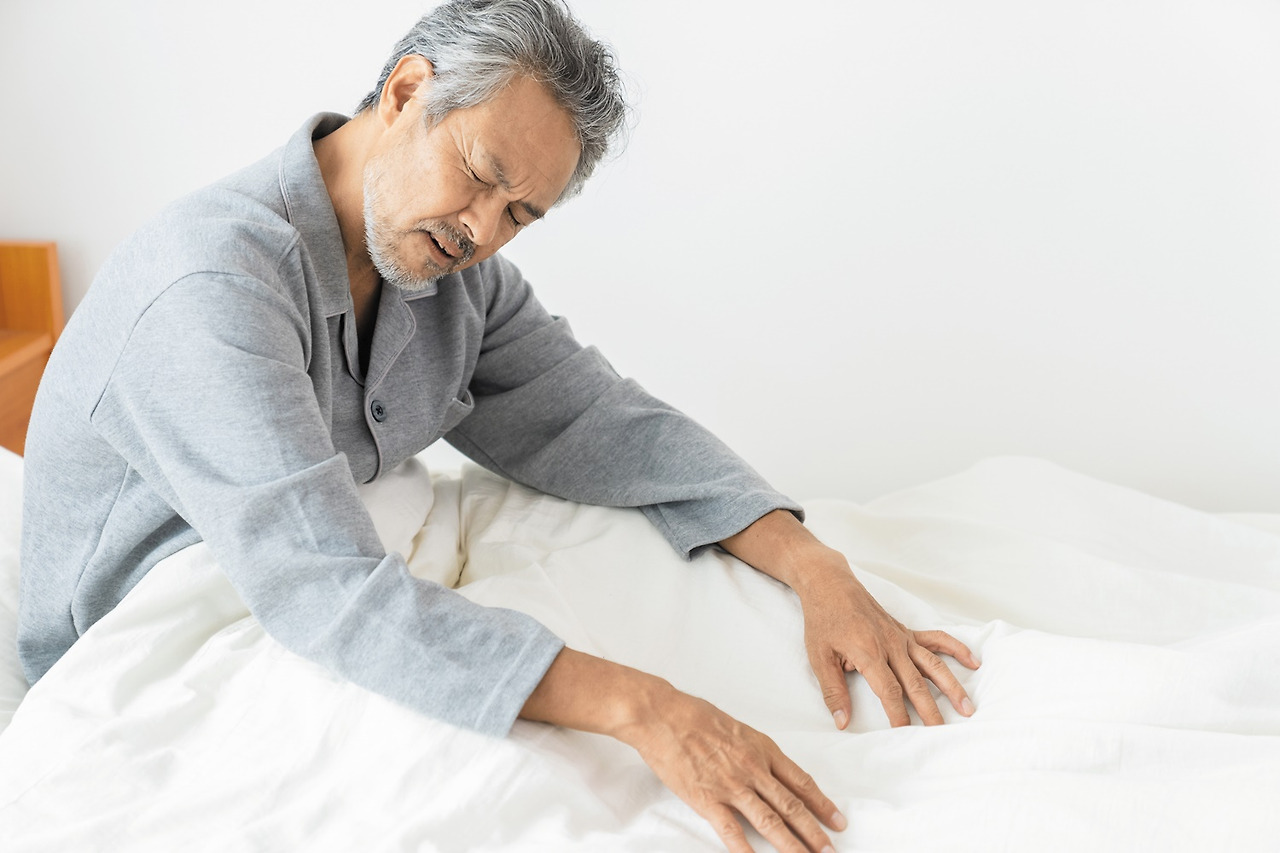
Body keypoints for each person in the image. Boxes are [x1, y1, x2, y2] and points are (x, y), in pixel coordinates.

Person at [18, 1, 979, 850]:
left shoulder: (452, 277)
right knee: (506, 783)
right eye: (478, 173)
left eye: (520, 212)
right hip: (172, 645)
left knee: (657, 575)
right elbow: (322, 590)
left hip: (326, 588)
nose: (480, 229)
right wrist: (647, 709)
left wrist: (817, 569)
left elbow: (603, 423)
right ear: (405, 92)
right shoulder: (211, 284)